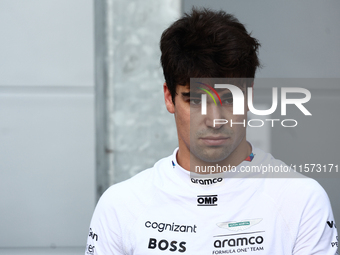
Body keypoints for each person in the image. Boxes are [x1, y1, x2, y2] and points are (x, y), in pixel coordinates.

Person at [85, 8, 338, 254]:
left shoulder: (302, 201)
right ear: (169, 98)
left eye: (228, 99)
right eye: (196, 100)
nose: (214, 120)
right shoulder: (121, 205)